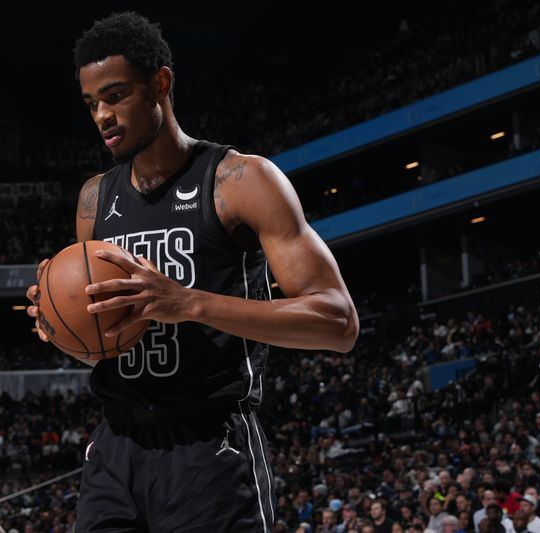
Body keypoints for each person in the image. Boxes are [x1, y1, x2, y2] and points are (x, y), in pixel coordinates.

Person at [26, 10, 358, 533]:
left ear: (161, 83)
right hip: (116, 447)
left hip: (210, 448)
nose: (102, 116)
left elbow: (338, 322)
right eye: (92, 103)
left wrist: (192, 303)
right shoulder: (94, 198)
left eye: (116, 96)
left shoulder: (241, 180)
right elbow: (103, 329)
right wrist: (61, 322)